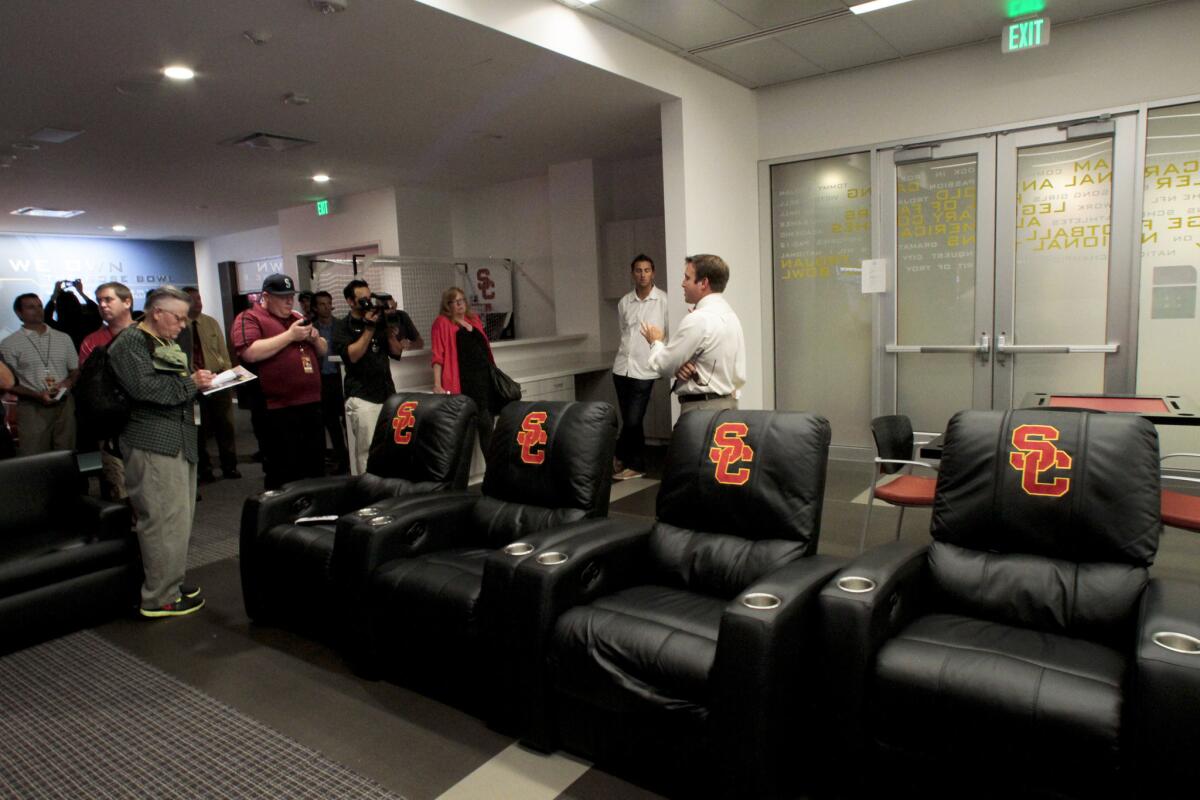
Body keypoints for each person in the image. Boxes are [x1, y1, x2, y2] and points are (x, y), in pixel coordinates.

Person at [107, 285, 214, 618]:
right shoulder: (129, 344)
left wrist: (198, 384)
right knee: (161, 520)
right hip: (151, 441)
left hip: (178, 438)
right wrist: (192, 384)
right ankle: (158, 597)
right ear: (157, 312)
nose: (182, 325)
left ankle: (169, 580)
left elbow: (172, 385)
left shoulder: (162, 341)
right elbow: (145, 388)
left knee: (179, 518)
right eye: (179, 318)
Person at [231, 274, 327, 490]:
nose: (288, 302)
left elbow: (323, 349)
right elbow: (250, 352)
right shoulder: (249, 318)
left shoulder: (295, 316)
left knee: (314, 467)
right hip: (276, 409)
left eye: (291, 296)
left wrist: (315, 338)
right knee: (283, 470)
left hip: (310, 404)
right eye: (282, 297)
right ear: (265, 296)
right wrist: (290, 336)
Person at [332, 279, 422, 474]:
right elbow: (353, 356)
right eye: (362, 299)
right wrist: (369, 328)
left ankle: (387, 489)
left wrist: (388, 325)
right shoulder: (342, 326)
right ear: (350, 301)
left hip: (387, 394)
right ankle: (368, 491)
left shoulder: (380, 322)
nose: (367, 303)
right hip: (362, 397)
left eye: (369, 298)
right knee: (367, 450)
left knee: (390, 446)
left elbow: (396, 352)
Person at [640, 254, 746, 415]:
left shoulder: (699, 320)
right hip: (730, 408)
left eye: (687, 278)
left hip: (702, 411)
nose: (683, 284)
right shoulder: (731, 316)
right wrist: (682, 365)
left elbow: (663, 366)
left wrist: (655, 342)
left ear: (704, 283)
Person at [0, 293, 79, 455]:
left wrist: (66, 384)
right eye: (30, 307)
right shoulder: (9, 344)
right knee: (35, 456)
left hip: (64, 404)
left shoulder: (63, 338)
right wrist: (36, 395)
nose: (37, 310)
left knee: (67, 455)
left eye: (39, 306)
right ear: (19, 313)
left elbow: (75, 370)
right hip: (31, 407)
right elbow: (8, 383)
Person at [611, 254, 668, 481]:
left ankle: (624, 456)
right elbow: (624, 331)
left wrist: (663, 361)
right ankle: (634, 463)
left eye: (647, 270)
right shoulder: (625, 302)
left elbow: (669, 334)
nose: (643, 274)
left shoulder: (663, 301)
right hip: (622, 367)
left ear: (653, 273)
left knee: (633, 420)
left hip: (646, 368)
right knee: (630, 421)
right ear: (632, 273)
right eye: (638, 270)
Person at [80, 281, 137, 500]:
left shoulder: (147, 336)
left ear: (127, 302)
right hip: (110, 424)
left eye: (108, 299)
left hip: (143, 421)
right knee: (116, 486)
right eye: (99, 301)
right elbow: (90, 384)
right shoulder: (91, 341)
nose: (103, 305)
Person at [183, 287, 240, 482]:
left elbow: (223, 352)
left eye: (199, 298)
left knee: (225, 425)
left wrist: (230, 374)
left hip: (218, 381)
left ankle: (230, 466)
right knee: (198, 428)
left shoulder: (210, 323)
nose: (197, 302)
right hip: (194, 384)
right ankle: (204, 469)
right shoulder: (180, 326)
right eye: (192, 299)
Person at [431, 286, 495, 456]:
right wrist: (437, 384)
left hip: (483, 381)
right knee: (465, 431)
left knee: (487, 427)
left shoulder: (474, 320)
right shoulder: (442, 323)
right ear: (447, 305)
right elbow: (438, 356)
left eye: (461, 300)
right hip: (463, 383)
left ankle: (494, 474)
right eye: (454, 302)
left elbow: (484, 350)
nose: (459, 305)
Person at [313, 290, 349, 474]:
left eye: (329, 303)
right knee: (331, 422)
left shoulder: (341, 325)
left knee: (347, 421)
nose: (327, 307)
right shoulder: (312, 328)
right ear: (315, 307)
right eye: (322, 304)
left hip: (340, 377)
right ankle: (342, 459)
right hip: (322, 380)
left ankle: (351, 458)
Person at [46, 279, 102, 350]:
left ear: (58, 308)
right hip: (85, 358)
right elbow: (98, 312)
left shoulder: (58, 328)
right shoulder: (88, 323)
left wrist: (54, 296)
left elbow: (45, 317)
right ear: (78, 304)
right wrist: (81, 292)